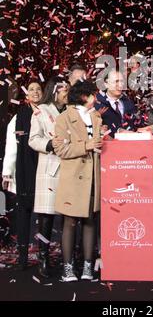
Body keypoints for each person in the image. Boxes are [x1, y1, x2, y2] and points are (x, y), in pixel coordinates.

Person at [53, 80, 103, 282]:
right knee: (70, 222)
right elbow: (60, 149)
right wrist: (87, 145)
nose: (96, 98)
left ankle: (88, 267)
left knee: (90, 220)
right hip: (73, 177)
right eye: (93, 95)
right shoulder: (64, 118)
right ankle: (68, 268)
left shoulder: (97, 116)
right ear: (84, 96)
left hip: (93, 177)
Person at [28, 77, 69, 278]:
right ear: (55, 91)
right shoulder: (42, 110)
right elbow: (33, 139)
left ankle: (65, 258)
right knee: (46, 218)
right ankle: (43, 258)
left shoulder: (72, 110)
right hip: (50, 169)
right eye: (64, 90)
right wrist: (50, 144)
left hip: (70, 168)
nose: (67, 93)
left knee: (68, 217)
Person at [2, 80, 43, 269]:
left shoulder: (49, 114)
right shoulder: (18, 117)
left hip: (44, 170)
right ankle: (23, 257)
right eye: (31, 89)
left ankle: (44, 257)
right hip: (24, 170)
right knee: (23, 213)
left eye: (38, 89)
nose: (35, 92)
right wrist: (7, 173)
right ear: (26, 95)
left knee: (45, 216)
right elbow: (11, 147)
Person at [95, 69, 140, 137]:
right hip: (108, 145)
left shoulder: (129, 103)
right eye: (116, 81)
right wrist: (119, 131)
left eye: (122, 81)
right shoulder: (97, 104)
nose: (120, 85)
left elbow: (136, 123)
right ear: (106, 84)